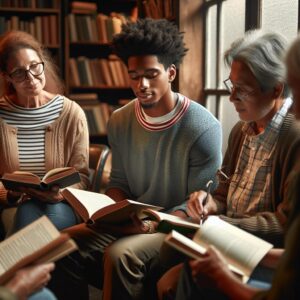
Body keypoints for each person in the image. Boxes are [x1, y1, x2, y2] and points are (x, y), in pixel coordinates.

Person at [49, 18, 222, 300]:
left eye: (152, 74)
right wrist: (112, 210)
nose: (141, 85)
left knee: (119, 255)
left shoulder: (202, 127)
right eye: (134, 76)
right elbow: (119, 182)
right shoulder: (119, 120)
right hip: (131, 221)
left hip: (173, 227)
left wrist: (147, 223)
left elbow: (196, 208)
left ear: (171, 73)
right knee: (61, 243)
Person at [157, 29, 300, 299]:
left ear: (277, 89)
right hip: (228, 236)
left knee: (177, 277)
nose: (232, 97)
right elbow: (223, 193)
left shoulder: (293, 136)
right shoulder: (241, 130)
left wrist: (224, 225)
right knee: (167, 253)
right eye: (230, 85)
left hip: (260, 247)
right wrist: (209, 203)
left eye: (242, 90)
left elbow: (284, 225)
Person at [0, 30, 89, 234]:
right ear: (7, 76)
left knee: (40, 226)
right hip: (13, 205)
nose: (31, 78)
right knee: (26, 215)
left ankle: (16, 264)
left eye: (34, 67)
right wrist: (10, 194)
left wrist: (61, 194)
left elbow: (82, 176)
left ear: (43, 62)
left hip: (62, 203)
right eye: (19, 72)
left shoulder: (71, 113)